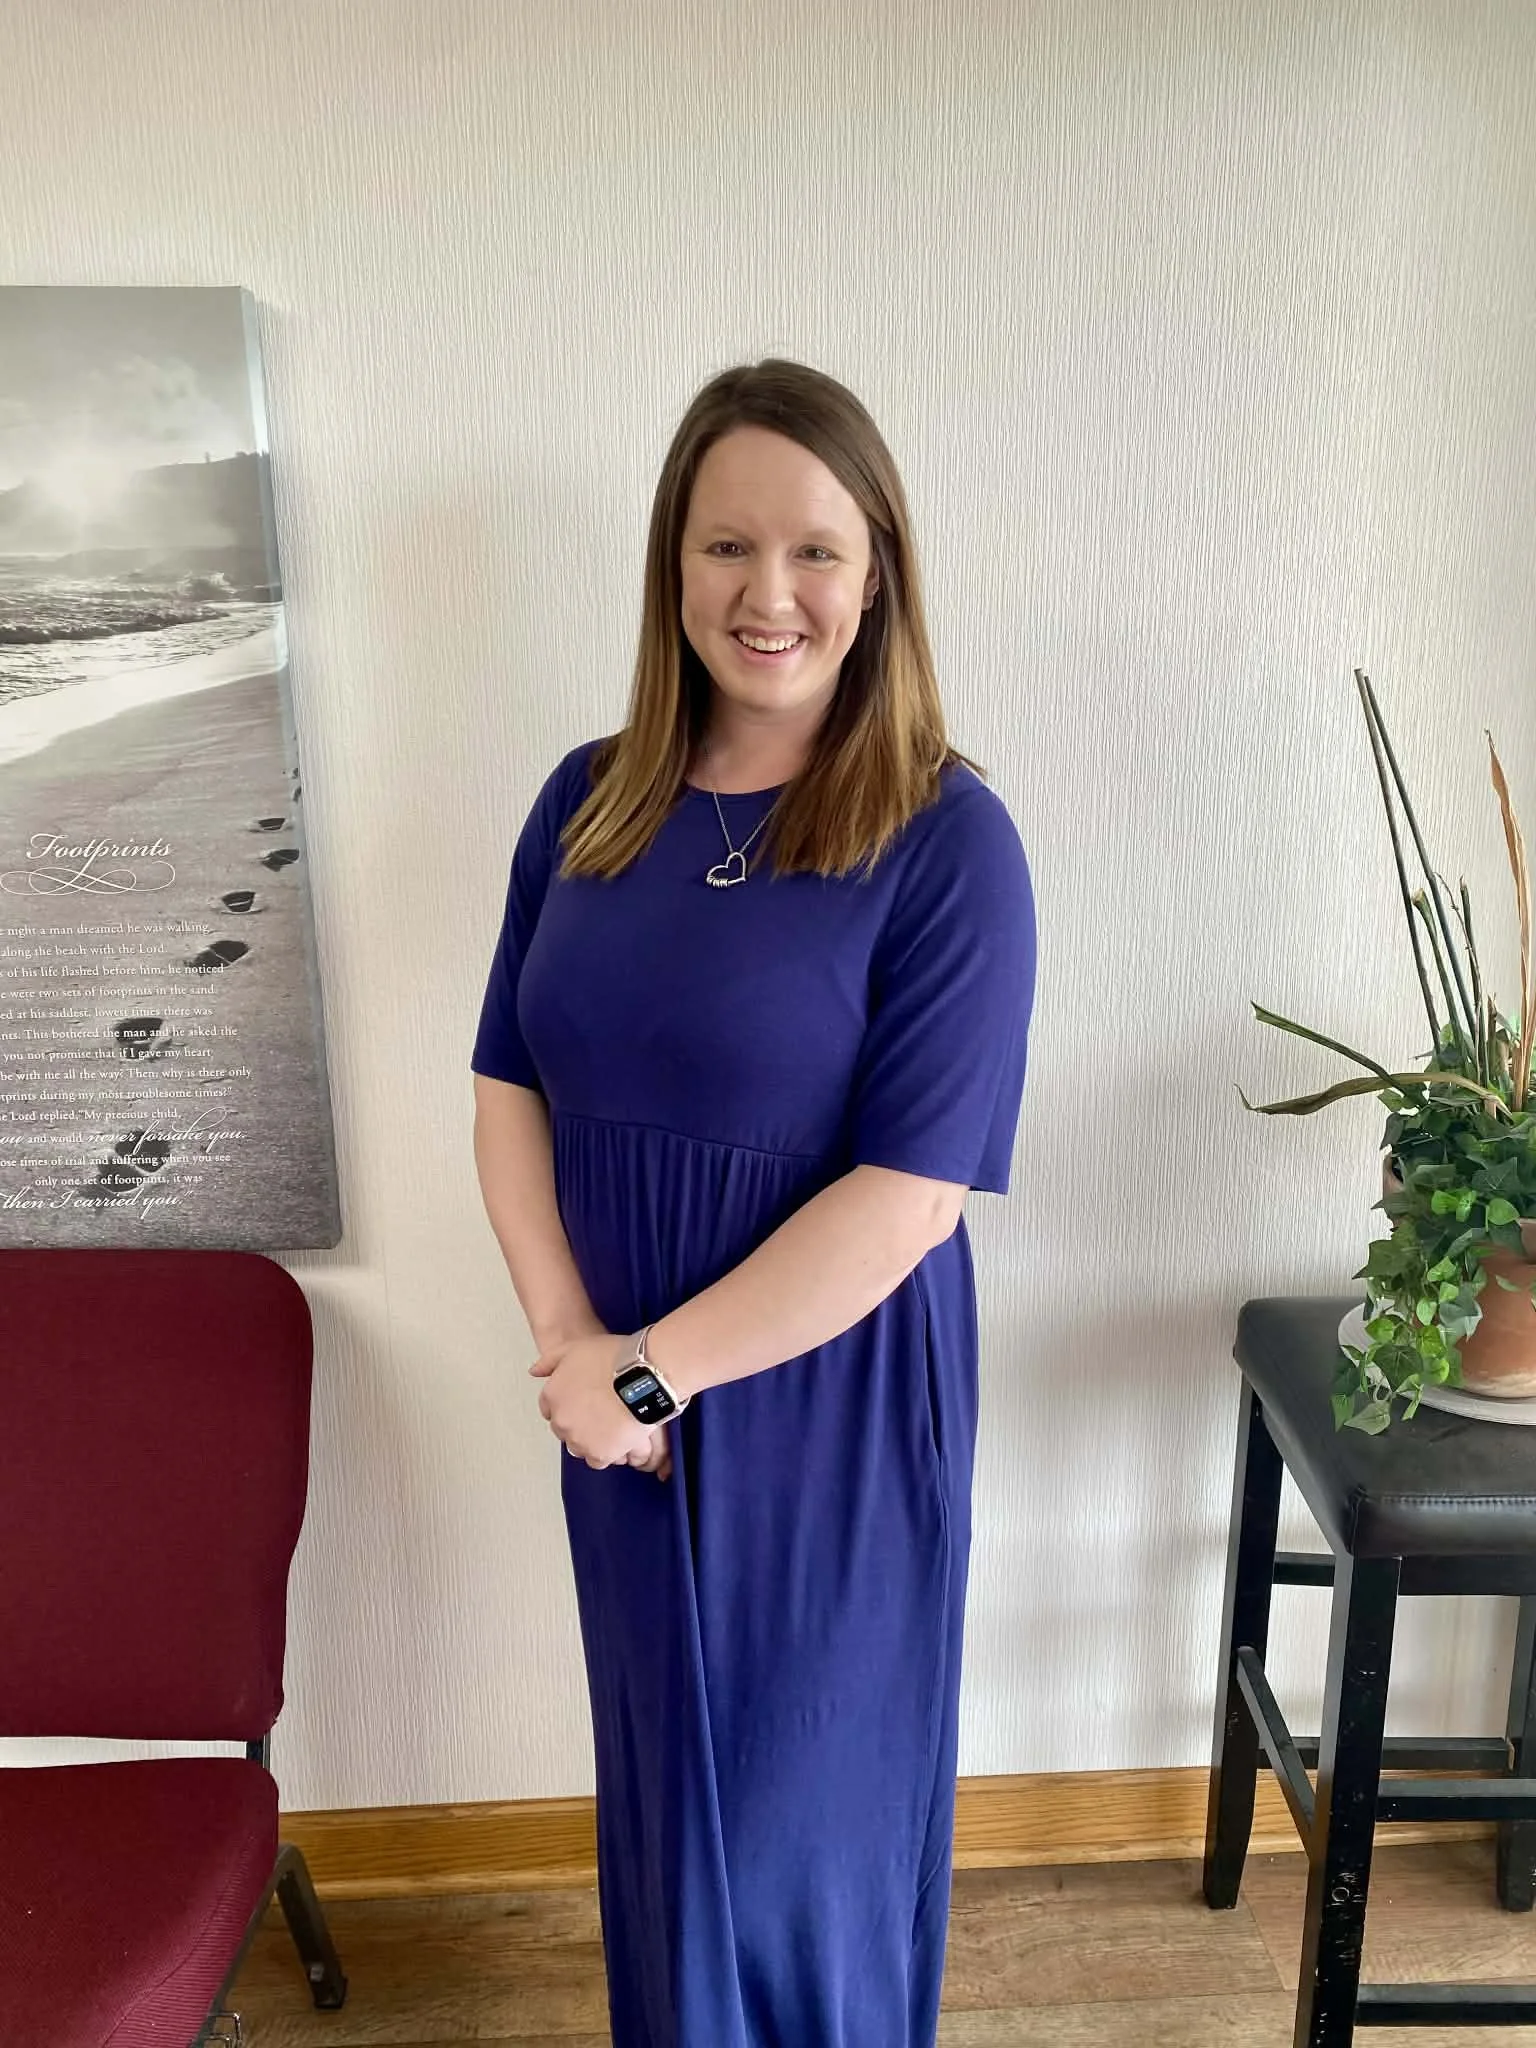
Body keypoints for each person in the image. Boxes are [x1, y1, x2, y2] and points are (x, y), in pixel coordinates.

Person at [471, 359, 1036, 2048]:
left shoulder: (948, 840)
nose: (766, 593)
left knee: (799, 1845)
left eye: (814, 551)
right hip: (613, 1409)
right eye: (726, 545)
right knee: (667, 1814)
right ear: (673, 563)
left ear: (879, 579)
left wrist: (657, 1371)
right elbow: (507, 1087)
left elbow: (912, 1197)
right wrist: (577, 1351)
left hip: (825, 1409)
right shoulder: (587, 800)